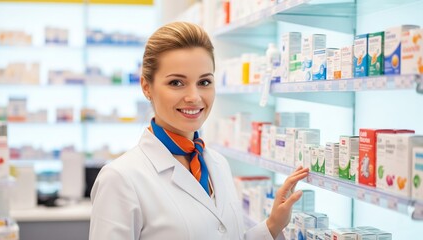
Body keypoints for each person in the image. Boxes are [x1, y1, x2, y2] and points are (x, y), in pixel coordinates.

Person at [89, 21, 309, 240]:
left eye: (204, 82)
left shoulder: (218, 165)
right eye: (176, 83)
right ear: (147, 87)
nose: (194, 97)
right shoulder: (120, 178)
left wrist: (271, 225)